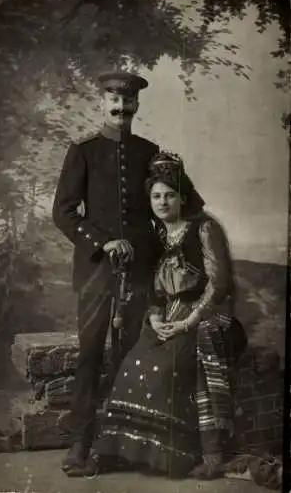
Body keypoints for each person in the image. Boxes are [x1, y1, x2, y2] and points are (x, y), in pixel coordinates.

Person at [81, 151, 247, 480]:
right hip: (167, 316)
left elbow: (219, 283)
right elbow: (154, 292)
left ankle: (176, 455)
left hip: (203, 317)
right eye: (156, 196)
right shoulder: (156, 235)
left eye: (169, 195)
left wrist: (188, 321)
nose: (162, 201)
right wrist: (155, 317)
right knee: (132, 365)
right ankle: (120, 450)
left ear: (183, 198)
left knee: (167, 368)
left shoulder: (204, 229)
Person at [52, 72, 160, 475]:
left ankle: (121, 441)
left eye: (127, 100)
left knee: (132, 354)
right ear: (102, 102)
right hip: (97, 269)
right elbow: (62, 212)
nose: (120, 106)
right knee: (91, 352)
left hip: (141, 270)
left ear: (136, 105)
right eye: (113, 98)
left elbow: (168, 206)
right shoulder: (83, 150)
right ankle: (81, 441)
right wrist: (102, 242)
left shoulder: (150, 152)